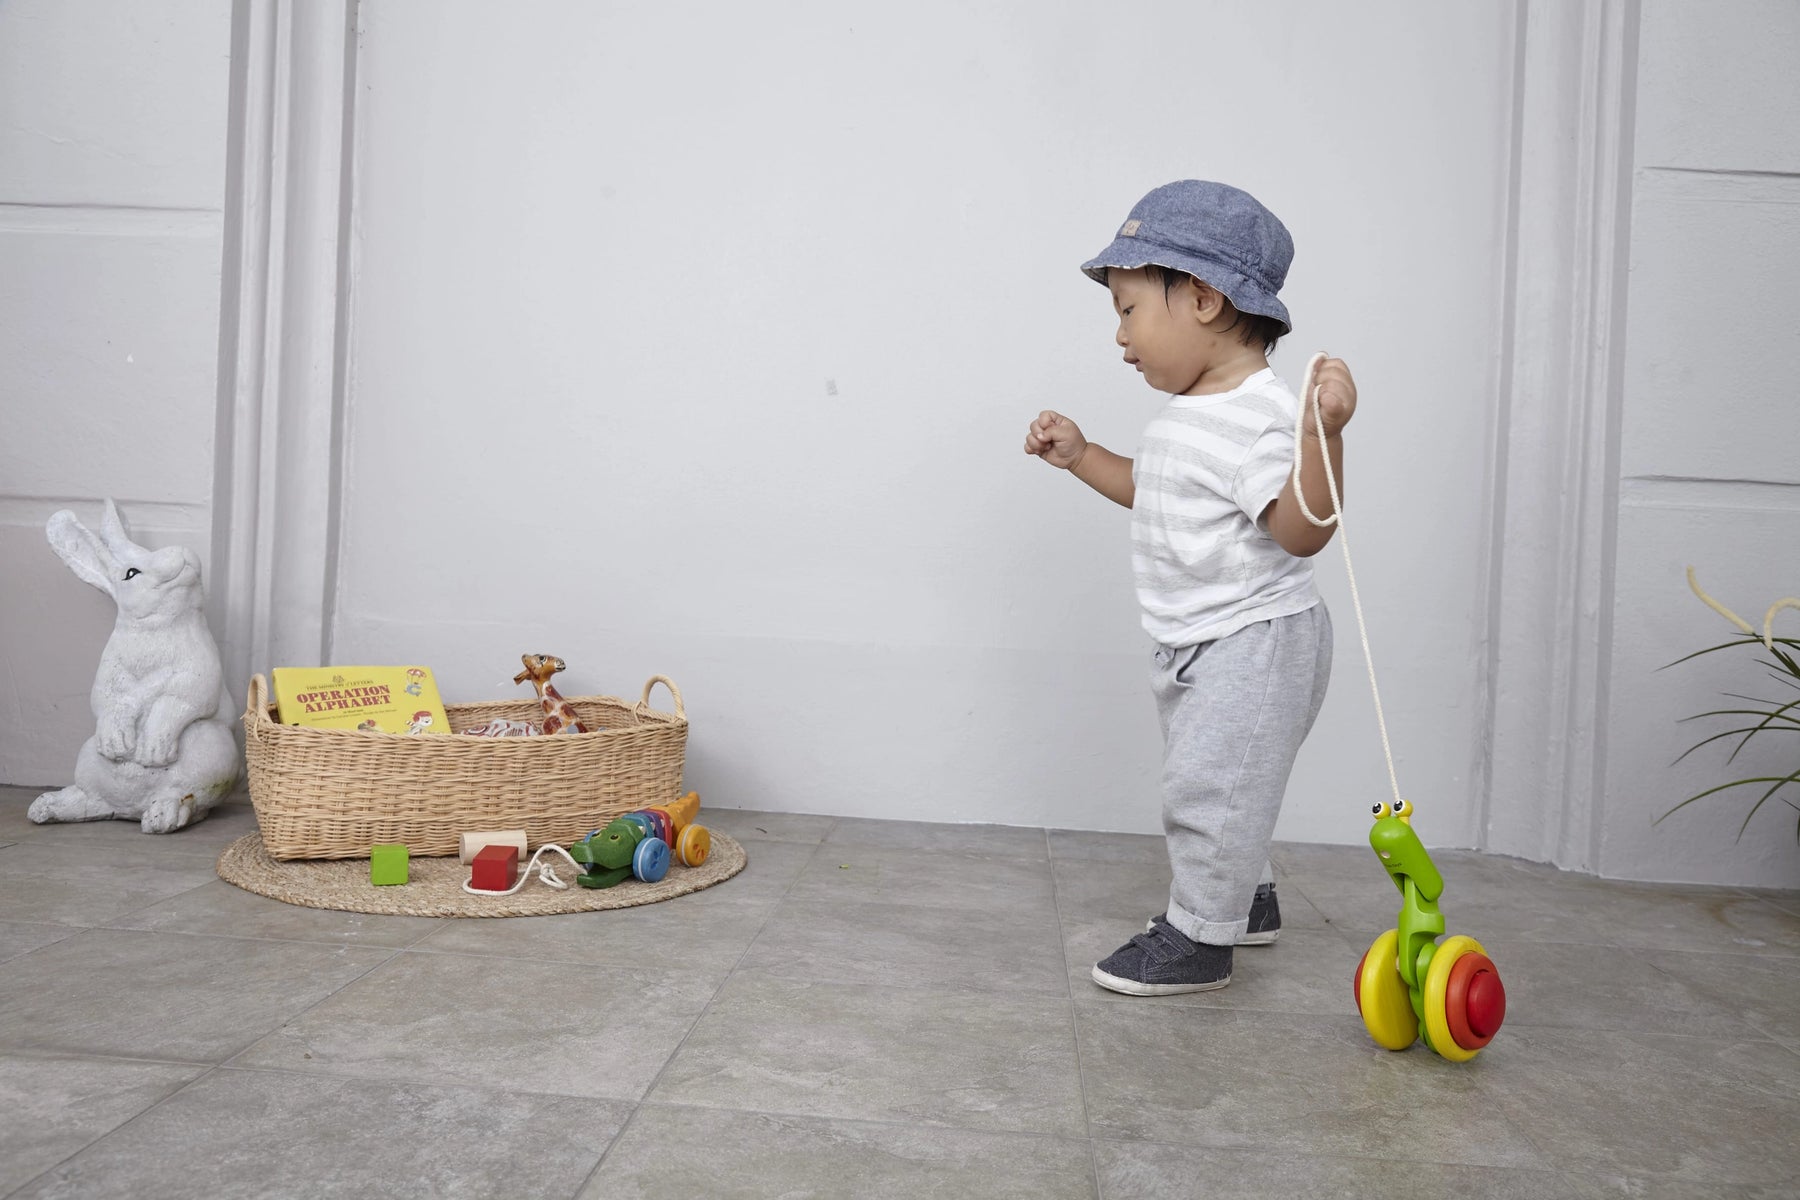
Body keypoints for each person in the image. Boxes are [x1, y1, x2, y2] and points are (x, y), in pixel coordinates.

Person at [1025, 180, 1358, 995]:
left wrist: (1324, 438)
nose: (1120, 335)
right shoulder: (1193, 412)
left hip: (1254, 639)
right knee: (1222, 782)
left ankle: (1200, 940)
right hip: (1204, 640)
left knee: (1209, 790)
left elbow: (1303, 529)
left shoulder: (1257, 416)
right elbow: (1156, 491)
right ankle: (1246, 900)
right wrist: (1083, 456)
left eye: (1131, 309)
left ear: (1204, 300)